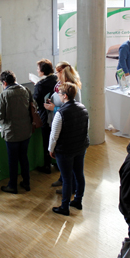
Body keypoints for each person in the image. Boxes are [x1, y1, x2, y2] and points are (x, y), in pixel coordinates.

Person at [49, 82, 89, 216]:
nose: (58, 96)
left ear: (65, 96)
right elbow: (86, 128)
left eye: (59, 94)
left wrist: (51, 149)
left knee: (66, 179)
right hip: (80, 147)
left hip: (65, 151)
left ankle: (64, 207)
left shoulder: (61, 113)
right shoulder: (83, 108)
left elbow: (54, 135)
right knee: (79, 174)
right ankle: (78, 201)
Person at [0, 70, 33, 194]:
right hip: (26, 131)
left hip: (12, 133)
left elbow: (0, 115)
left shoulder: (5, 94)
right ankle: (27, 182)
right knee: (24, 158)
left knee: (13, 161)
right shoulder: (25, 90)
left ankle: (12, 185)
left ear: (4, 82)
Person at [43, 61, 82, 190]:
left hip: (66, 126)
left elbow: (70, 109)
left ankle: (69, 187)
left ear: (63, 72)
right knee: (64, 161)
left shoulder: (72, 87)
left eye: (57, 72)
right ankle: (63, 179)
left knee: (68, 160)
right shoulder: (59, 85)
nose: (55, 74)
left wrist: (54, 108)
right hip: (58, 120)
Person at [33, 59, 58, 174]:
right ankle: (57, 164)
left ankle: (47, 165)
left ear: (42, 71)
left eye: (38, 69)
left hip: (45, 116)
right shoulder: (57, 79)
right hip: (57, 115)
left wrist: (36, 86)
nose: (37, 71)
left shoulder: (40, 84)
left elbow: (36, 102)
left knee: (47, 141)